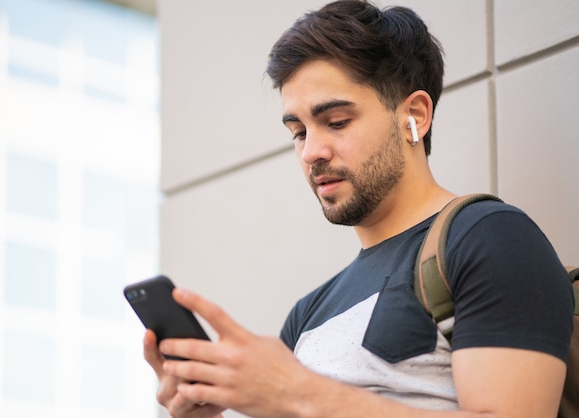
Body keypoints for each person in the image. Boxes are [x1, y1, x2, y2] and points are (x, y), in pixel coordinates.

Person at [143, 1, 574, 417]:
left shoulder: (489, 237)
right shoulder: (308, 314)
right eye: (297, 132)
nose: (312, 151)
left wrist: (302, 395)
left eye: (335, 122)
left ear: (416, 116)